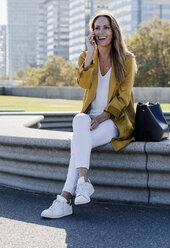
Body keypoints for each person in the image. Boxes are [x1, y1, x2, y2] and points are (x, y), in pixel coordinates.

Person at [41, 10, 137, 219]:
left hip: (114, 120)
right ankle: (83, 182)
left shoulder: (126, 60)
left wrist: (103, 117)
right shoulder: (86, 57)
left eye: (105, 27)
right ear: (92, 33)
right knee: (79, 119)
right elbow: (83, 84)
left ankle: (64, 198)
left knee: (78, 144)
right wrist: (91, 53)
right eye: (96, 28)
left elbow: (123, 97)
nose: (101, 32)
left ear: (113, 32)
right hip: (88, 120)